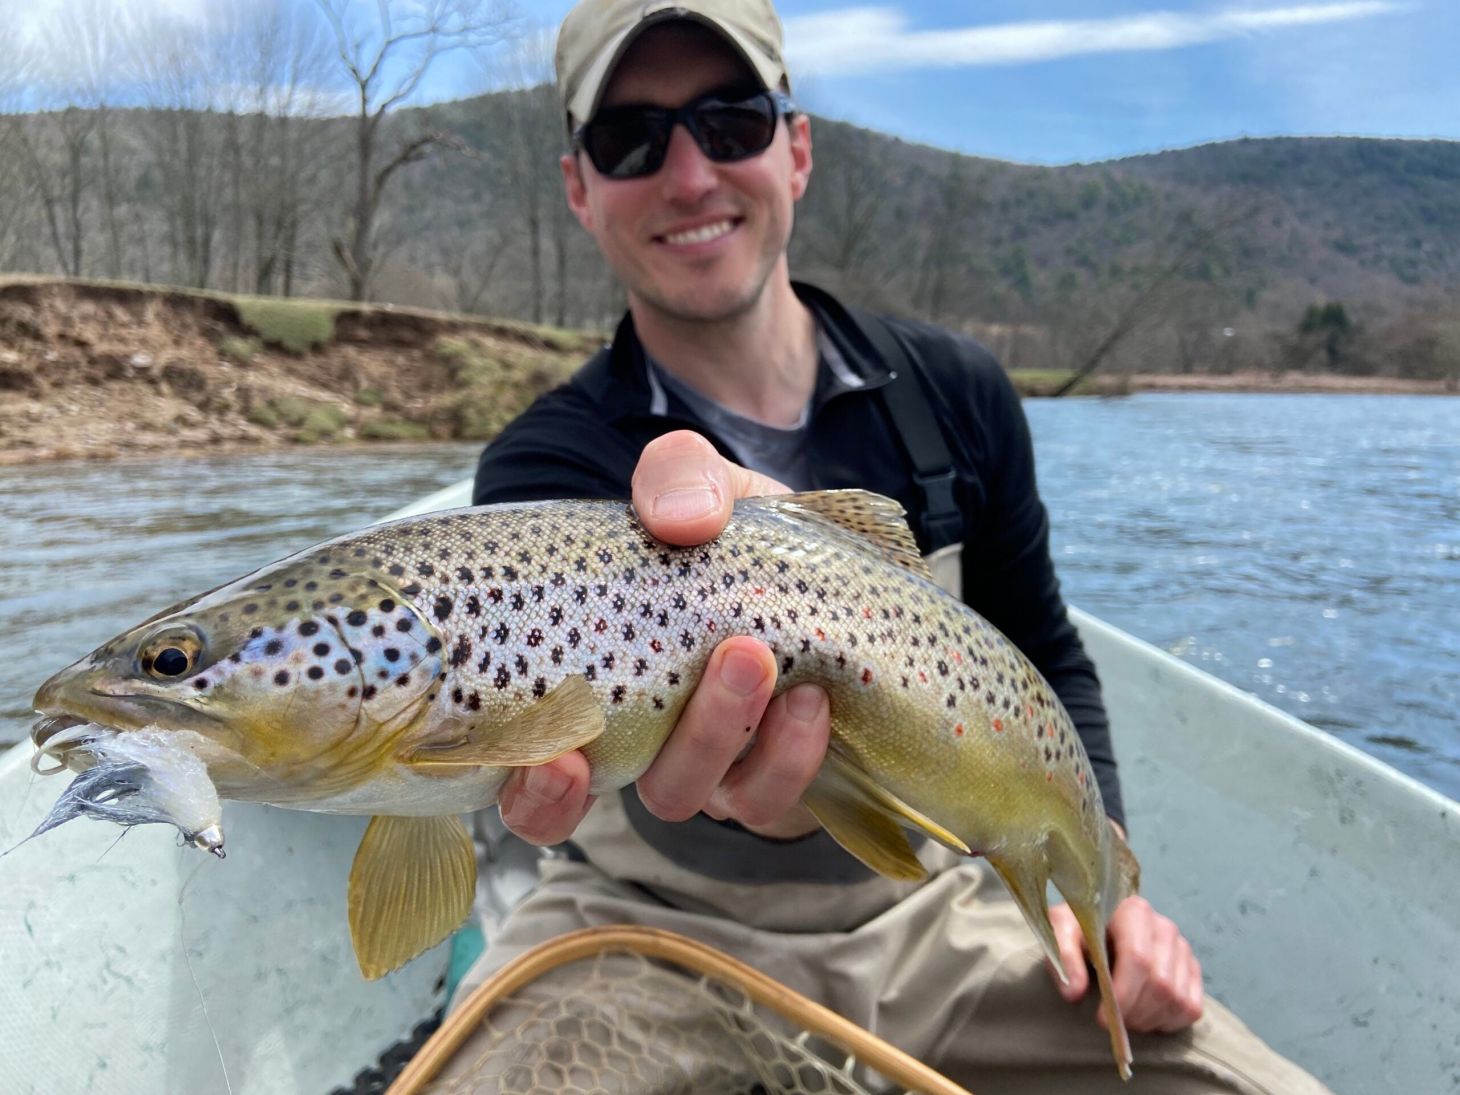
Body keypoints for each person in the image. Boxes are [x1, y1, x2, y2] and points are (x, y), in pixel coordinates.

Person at [455, 1, 1331, 1091]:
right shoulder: (543, 469)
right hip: (647, 926)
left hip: (939, 905)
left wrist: (1107, 890)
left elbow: (1042, 654)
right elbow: (568, 782)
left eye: (730, 122)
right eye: (630, 141)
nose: (688, 177)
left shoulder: (953, 392)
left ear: (798, 148)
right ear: (579, 189)